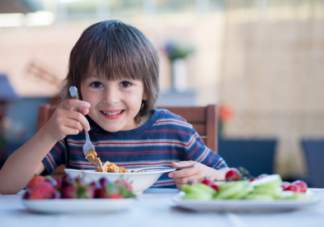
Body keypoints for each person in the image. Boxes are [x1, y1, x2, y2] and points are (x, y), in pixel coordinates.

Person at [0, 20, 229, 194]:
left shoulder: (174, 130)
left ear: (146, 90)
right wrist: (47, 135)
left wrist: (209, 176)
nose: (110, 98)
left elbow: (232, 176)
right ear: (77, 89)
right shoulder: (73, 133)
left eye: (126, 84)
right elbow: (6, 185)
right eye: (96, 84)